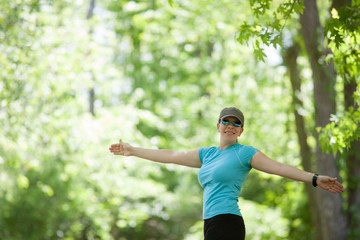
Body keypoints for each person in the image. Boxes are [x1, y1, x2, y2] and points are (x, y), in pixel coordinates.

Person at [109, 107, 344, 240]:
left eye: (236, 123)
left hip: (228, 222)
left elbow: (280, 168)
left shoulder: (244, 153)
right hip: (210, 222)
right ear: (218, 125)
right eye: (226, 121)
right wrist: (133, 150)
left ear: (241, 131)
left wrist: (314, 178)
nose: (230, 126)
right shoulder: (207, 155)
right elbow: (171, 155)